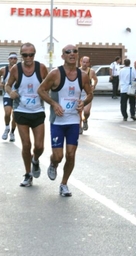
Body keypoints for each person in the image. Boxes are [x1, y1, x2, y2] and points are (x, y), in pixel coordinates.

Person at [37, 45, 93, 196]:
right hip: (58, 121)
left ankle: (64, 184)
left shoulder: (83, 75)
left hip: (74, 121)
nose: (72, 54)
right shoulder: (55, 74)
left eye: (75, 51)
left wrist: (84, 102)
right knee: (58, 156)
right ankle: (53, 163)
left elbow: (90, 94)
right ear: (63, 56)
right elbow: (41, 90)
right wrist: (54, 104)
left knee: (71, 154)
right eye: (68, 52)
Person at [5, 42, 48, 187]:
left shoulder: (41, 68)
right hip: (21, 111)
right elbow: (7, 85)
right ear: (21, 55)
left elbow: (50, 84)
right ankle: (28, 174)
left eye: (31, 54)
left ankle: (35, 160)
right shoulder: (15, 69)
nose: (28, 57)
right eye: (25, 55)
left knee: (40, 146)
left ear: (34, 54)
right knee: (26, 145)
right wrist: (10, 92)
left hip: (37, 111)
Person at [0, 52, 18, 142]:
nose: (13, 60)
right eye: (11, 58)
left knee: (15, 116)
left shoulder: (19, 69)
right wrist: (0, 82)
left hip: (17, 95)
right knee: (7, 113)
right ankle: (7, 128)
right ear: (8, 59)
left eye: (15, 58)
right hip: (7, 94)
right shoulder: (3, 69)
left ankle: (12, 132)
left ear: (17, 60)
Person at [79, 56, 97, 133]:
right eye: (83, 62)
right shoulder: (77, 71)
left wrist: (93, 86)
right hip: (79, 93)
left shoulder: (91, 71)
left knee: (86, 112)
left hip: (87, 94)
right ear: (80, 62)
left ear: (89, 63)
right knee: (79, 111)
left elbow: (95, 79)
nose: (85, 64)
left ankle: (85, 119)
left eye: (86, 62)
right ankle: (79, 127)